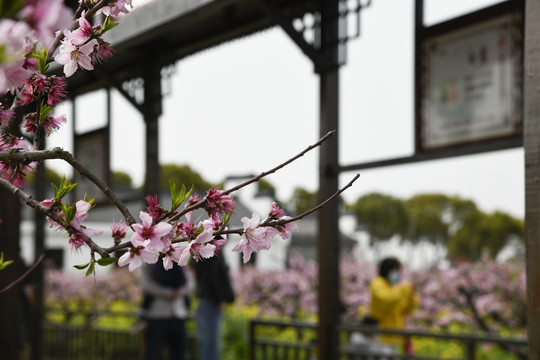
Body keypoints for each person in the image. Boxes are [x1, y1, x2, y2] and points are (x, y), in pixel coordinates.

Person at [140, 258, 193, 360]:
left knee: (179, 352)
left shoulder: (179, 259)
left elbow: (189, 283)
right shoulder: (148, 261)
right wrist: (168, 293)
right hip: (157, 315)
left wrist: (177, 293)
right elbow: (147, 284)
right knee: (154, 352)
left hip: (178, 314)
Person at [368, 257, 418, 353]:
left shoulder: (395, 287)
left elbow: (407, 310)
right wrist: (404, 290)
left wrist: (412, 297)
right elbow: (387, 300)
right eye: (396, 270)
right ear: (387, 270)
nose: (398, 274)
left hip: (393, 337)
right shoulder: (377, 283)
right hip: (380, 337)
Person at [192, 251, 235, 360]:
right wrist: (219, 299)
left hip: (205, 302)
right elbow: (213, 276)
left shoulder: (203, 250)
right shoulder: (213, 252)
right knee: (210, 344)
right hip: (211, 303)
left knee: (206, 342)